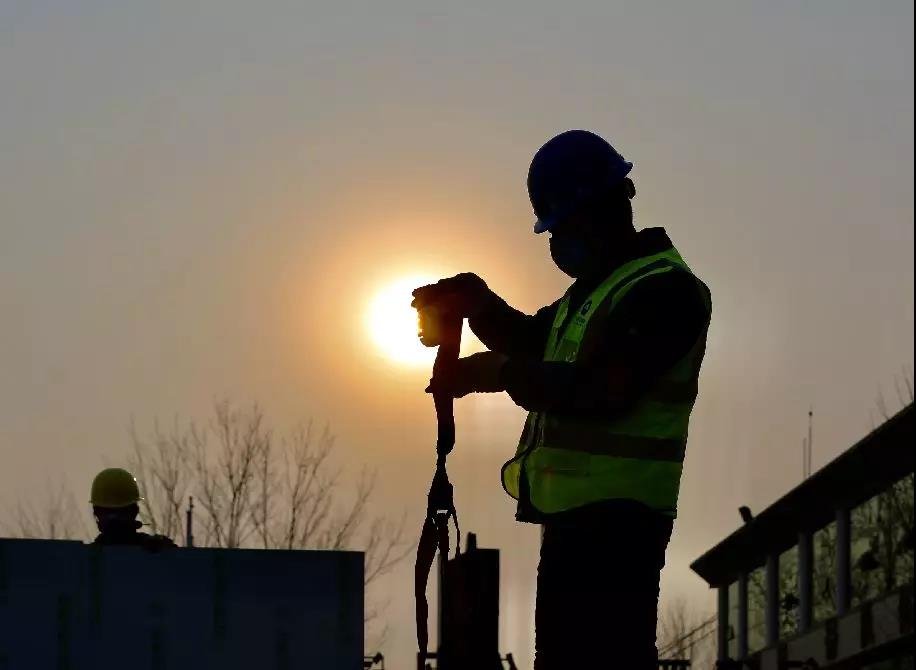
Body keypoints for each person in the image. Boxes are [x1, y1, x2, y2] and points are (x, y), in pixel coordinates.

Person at [412, 129, 712, 669]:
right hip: (576, 521)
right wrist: (478, 303)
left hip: (621, 526)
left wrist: (501, 373)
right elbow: (533, 344)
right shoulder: (596, 291)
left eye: (562, 226)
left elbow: (600, 392)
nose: (556, 244)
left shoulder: (664, 291)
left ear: (598, 211)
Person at [89, 467, 176, 552]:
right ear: (135, 511)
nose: (114, 520)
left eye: (120, 513)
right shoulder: (85, 558)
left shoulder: (85, 560)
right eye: (108, 513)